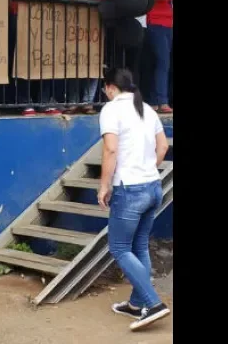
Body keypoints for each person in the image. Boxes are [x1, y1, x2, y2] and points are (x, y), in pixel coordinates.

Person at [97, 67, 171, 331]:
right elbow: (162, 147)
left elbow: (111, 148)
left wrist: (104, 185)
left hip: (129, 189)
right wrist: (148, 169)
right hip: (152, 186)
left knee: (118, 248)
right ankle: (137, 302)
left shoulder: (111, 110)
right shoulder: (148, 109)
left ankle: (153, 304)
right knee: (139, 246)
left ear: (110, 87)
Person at [8, 0, 62, 116]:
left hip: (44, 17)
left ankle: (45, 100)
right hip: (22, 16)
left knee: (45, 59)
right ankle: (24, 101)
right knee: (24, 59)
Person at [65, 0, 119, 114]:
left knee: (94, 61)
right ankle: (72, 101)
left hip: (98, 17)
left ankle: (88, 101)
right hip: (76, 16)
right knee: (74, 59)